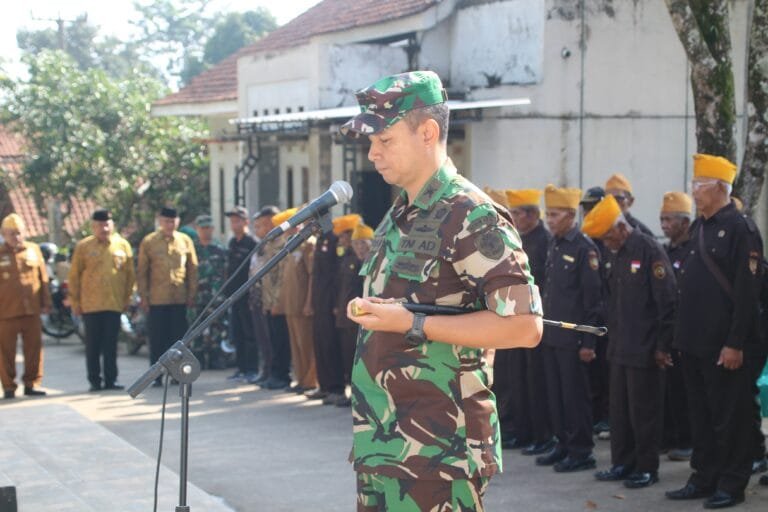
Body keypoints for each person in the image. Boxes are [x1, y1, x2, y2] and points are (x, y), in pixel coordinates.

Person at [341, 71, 543, 511]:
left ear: (428, 132)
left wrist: (413, 322)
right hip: (385, 445)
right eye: (371, 141)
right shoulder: (400, 215)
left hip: (440, 455)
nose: (372, 152)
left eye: (385, 139)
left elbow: (524, 328)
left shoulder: (470, 214)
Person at [666, 154, 763, 509]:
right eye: (693, 184)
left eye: (700, 185)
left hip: (724, 346)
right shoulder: (699, 228)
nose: (693, 191)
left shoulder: (741, 228)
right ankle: (704, 476)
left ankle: (732, 483)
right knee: (702, 418)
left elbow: (747, 292)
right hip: (693, 343)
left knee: (730, 419)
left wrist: (735, 343)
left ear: (721, 188)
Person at [584, 196, 677, 489]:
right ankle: (622, 463)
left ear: (621, 227)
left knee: (644, 413)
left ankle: (647, 468)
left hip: (646, 349)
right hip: (620, 347)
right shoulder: (616, 252)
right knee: (620, 413)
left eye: (608, 236)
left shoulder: (649, 249)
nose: (606, 243)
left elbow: (668, 302)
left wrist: (662, 347)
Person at [535, 184, 603, 473]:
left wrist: (588, 341)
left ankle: (581, 450)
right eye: (547, 214)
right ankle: (562, 443)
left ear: (570, 215)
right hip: (553, 335)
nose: (549, 220)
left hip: (574, 339)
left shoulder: (584, 248)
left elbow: (593, 301)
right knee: (556, 395)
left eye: (555, 214)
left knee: (575, 397)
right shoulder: (556, 244)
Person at [496, 189, 555, 455]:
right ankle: (520, 430)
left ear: (532, 214)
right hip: (513, 318)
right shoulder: (519, 239)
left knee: (536, 384)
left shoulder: (545, 241)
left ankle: (540, 434)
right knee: (516, 381)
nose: (514, 218)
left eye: (517, 213)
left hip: (534, 321)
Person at [69, 209, 135, 391]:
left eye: (106, 224)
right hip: (90, 305)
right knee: (93, 346)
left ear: (112, 225)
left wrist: (127, 298)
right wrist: (75, 302)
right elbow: (74, 276)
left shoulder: (122, 245)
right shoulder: (84, 247)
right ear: (93, 227)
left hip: (114, 303)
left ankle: (111, 380)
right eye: (99, 225)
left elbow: (130, 275)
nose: (103, 228)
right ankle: (94, 381)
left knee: (111, 345)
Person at [137, 207, 198, 387]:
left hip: (179, 299)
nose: (169, 225)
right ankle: (156, 375)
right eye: (166, 221)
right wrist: (144, 297)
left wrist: (191, 294)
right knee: (157, 339)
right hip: (157, 299)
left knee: (178, 340)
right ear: (160, 221)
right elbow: (142, 272)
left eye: (173, 221)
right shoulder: (149, 242)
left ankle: (177, 374)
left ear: (177, 222)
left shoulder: (185, 241)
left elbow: (192, 269)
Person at [659, 192, 694, 461]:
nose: (664, 225)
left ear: (685, 222)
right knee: (671, 391)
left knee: (686, 392)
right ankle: (672, 437)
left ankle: (688, 440)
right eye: (662, 219)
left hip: (688, 333)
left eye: (669, 219)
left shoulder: (693, 249)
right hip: (669, 330)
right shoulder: (667, 251)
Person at [0, 213, 50, 398]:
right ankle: (8, 387)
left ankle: (32, 383)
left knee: (34, 349)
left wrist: (46, 302)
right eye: (11, 233)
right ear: (4, 234)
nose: (16, 237)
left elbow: (43, 278)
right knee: (5, 352)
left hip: (31, 310)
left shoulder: (33, 250)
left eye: (19, 232)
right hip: (5, 312)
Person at [579, 186, 611, 438]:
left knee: (605, 372)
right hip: (594, 316)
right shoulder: (588, 237)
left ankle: (605, 416)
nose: (589, 213)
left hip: (607, 316)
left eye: (593, 207)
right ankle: (597, 416)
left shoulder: (609, 236)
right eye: (586, 208)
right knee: (593, 374)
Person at [331, 215, 366, 407]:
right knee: (346, 355)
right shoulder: (346, 258)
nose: (342, 241)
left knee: (355, 357)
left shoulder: (361, 260)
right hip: (345, 316)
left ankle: (357, 395)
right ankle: (350, 393)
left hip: (358, 317)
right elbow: (341, 286)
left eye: (345, 237)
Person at [280, 213, 317, 394]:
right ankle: (301, 379)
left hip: (303, 303)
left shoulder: (309, 245)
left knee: (306, 344)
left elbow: (312, 276)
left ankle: (310, 380)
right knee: (295, 345)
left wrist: (309, 302)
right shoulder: (289, 245)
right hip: (290, 303)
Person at [259, 208, 295, 390]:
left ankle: (282, 375)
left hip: (279, 301)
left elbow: (282, 277)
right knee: (272, 340)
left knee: (281, 341)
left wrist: (277, 302)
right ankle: (274, 373)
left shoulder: (283, 244)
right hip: (269, 300)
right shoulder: (270, 243)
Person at [224, 206, 259, 383]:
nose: (234, 224)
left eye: (237, 220)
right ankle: (241, 368)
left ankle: (252, 369)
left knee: (249, 333)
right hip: (234, 296)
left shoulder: (252, 243)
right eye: (232, 220)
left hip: (247, 295)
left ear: (246, 222)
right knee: (236, 332)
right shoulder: (232, 243)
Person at [308, 219, 341, 401]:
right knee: (319, 343)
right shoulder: (319, 240)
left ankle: (336, 388)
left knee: (330, 344)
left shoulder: (333, 239)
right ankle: (324, 385)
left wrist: (336, 302)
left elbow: (336, 275)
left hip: (330, 301)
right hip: (319, 300)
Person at [190, 214, 228, 369]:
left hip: (216, 296)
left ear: (212, 229)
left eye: (208, 228)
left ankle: (215, 357)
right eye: (202, 228)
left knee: (217, 327)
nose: (206, 231)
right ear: (197, 229)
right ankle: (198, 358)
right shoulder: (191, 248)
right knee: (195, 327)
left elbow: (226, 272)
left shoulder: (220, 249)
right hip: (197, 296)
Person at [248, 206, 280, 384]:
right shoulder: (261, 245)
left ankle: (274, 372)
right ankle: (266, 370)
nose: (259, 229)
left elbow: (277, 277)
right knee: (262, 337)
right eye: (257, 225)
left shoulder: (279, 244)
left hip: (271, 299)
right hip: (257, 297)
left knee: (271, 339)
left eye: (264, 225)